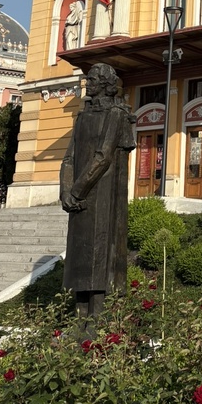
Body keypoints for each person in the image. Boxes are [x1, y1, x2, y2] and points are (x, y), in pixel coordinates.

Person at [60, 63, 136, 324]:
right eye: (87, 78)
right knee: (80, 255)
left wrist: (78, 190)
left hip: (101, 193)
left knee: (100, 253)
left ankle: (98, 317)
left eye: (92, 79)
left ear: (105, 83)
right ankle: (80, 316)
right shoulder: (82, 116)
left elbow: (103, 156)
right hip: (78, 200)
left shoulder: (116, 114)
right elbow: (68, 157)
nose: (87, 83)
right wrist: (65, 192)